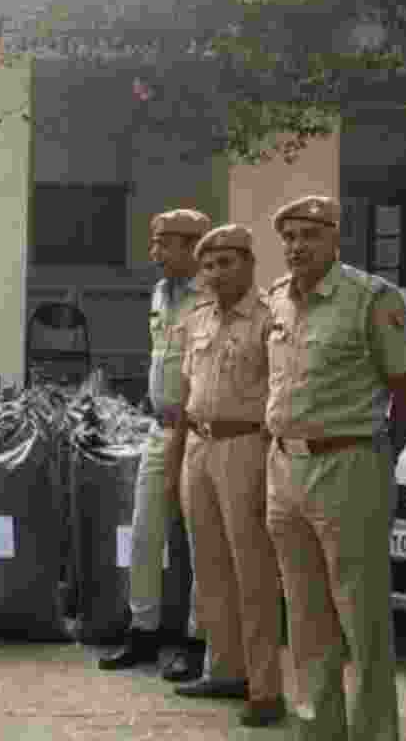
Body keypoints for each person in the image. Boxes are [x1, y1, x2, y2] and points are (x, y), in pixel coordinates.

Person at [263, 196, 406, 741]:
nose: (296, 246)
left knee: (363, 616)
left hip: (350, 466)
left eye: (310, 234)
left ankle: (375, 732)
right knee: (305, 617)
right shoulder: (277, 300)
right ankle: (318, 729)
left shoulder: (371, 300)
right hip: (285, 469)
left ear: (335, 239)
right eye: (289, 236)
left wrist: (380, 457)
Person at [164, 224, 284, 727]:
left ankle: (265, 686)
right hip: (199, 444)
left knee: (251, 570)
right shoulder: (198, 319)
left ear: (250, 262)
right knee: (208, 567)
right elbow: (185, 396)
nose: (215, 273)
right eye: (208, 265)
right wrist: (176, 460)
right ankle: (225, 669)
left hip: (245, 446)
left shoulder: (269, 317)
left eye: (226, 262)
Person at [100, 207, 210, 681]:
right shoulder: (161, 293)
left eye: (164, 243)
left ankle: (192, 640)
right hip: (160, 425)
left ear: (191, 247)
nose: (154, 252)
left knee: (195, 540)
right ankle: (142, 631)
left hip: (200, 430)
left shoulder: (212, 297)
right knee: (144, 531)